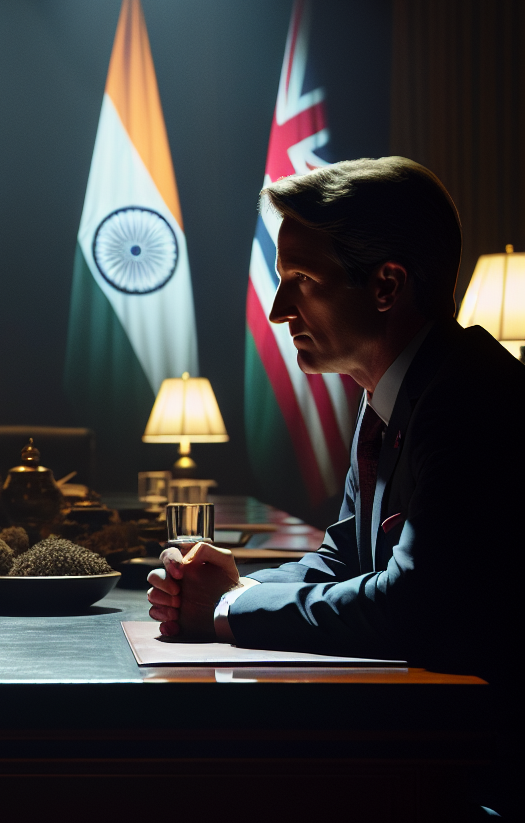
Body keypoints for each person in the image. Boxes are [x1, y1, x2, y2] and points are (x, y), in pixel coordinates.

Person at [148, 157, 523, 680]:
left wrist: (225, 608)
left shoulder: (468, 401)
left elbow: (414, 608)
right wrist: (237, 586)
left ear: (386, 286)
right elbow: (344, 559)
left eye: (300, 278)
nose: (278, 309)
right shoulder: (393, 396)